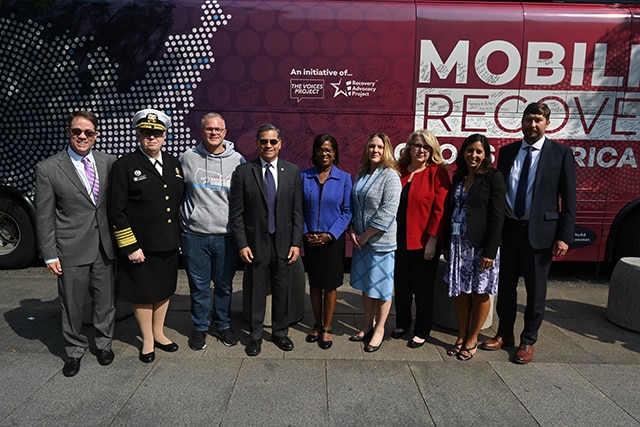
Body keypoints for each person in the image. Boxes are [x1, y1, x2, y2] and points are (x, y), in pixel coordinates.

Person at [481, 102, 576, 364]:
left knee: (536, 291)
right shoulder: (508, 152)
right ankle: (504, 334)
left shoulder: (561, 154)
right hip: (509, 231)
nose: (532, 125)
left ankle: (528, 340)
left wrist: (564, 236)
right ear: (521, 122)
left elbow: (569, 200)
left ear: (547, 123)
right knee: (506, 288)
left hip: (541, 234)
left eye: (538, 120)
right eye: (528, 119)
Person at [35, 110, 117, 377]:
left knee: (105, 301)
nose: (82, 136)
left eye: (88, 132)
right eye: (77, 131)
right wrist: (49, 254)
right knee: (72, 304)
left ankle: (104, 344)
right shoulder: (48, 168)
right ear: (68, 132)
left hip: (104, 247)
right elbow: (45, 215)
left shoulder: (109, 163)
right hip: (70, 248)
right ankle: (73, 350)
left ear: (96, 135)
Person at [108, 109, 184, 363]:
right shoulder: (125, 165)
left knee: (163, 289)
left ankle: (159, 333)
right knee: (142, 292)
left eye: (157, 133)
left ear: (165, 136)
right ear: (138, 135)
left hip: (168, 242)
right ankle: (147, 341)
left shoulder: (174, 164)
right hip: (140, 246)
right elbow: (116, 210)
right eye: (146, 133)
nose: (152, 138)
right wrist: (130, 245)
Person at [229, 123, 304, 356]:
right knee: (256, 290)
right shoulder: (244, 172)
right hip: (255, 245)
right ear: (257, 144)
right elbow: (236, 213)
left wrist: (295, 243)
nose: (268, 145)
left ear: (280, 144)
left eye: (273, 141)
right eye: (264, 141)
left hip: (283, 244)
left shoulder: (292, 171)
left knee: (283, 290)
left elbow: (297, 212)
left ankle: (281, 333)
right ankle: (255, 335)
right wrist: (242, 244)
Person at [180, 113, 246, 351]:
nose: (214, 133)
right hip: (194, 235)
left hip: (225, 236)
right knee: (198, 286)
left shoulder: (238, 160)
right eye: (209, 129)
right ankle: (199, 328)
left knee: (223, 285)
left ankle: (223, 324)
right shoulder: (187, 158)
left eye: (218, 129)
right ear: (201, 131)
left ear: (225, 133)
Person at [443, 134, 505, 361]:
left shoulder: (493, 177)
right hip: (459, 245)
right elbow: (451, 211)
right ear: (463, 152)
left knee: (480, 292)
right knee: (460, 291)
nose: (474, 155)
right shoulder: (459, 177)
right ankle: (461, 336)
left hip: (481, 247)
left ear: (486, 154)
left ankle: (472, 339)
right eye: (470, 150)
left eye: (479, 151)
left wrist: (490, 251)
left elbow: (498, 216)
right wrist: (447, 243)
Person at [393, 130, 450, 348]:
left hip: (424, 242)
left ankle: (422, 329)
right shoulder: (398, 170)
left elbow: (440, 209)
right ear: (409, 147)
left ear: (432, 150)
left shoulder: (438, 172)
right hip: (397, 240)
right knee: (402, 285)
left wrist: (433, 240)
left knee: (423, 289)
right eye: (417, 145)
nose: (421, 150)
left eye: (426, 147)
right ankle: (402, 323)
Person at [348, 133, 401, 353]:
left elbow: (388, 212)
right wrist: (352, 229)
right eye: (371, 146)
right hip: (361, 241)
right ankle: (367, 325)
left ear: (386, 149)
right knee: (366, 286)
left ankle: (380, 329)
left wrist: (366, 234)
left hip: (380, 243)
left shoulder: (391, 176)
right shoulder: (361, 173)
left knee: (381, 289)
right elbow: (354, 204)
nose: (375, 150)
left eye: (380, 146)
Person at [301, 134, 352, 350]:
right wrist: (306, 232)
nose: (324, 153)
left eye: (329, 150)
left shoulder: (345, 178)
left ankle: (328, 327)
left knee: (330, 285)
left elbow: (347, 211)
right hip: (310, 239)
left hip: (333, 240)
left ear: (335, 154)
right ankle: (317, 323)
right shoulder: (303, 176)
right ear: (315, 153)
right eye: (321, 149)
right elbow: (297, 208)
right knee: (314, 283)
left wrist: (330, 235)